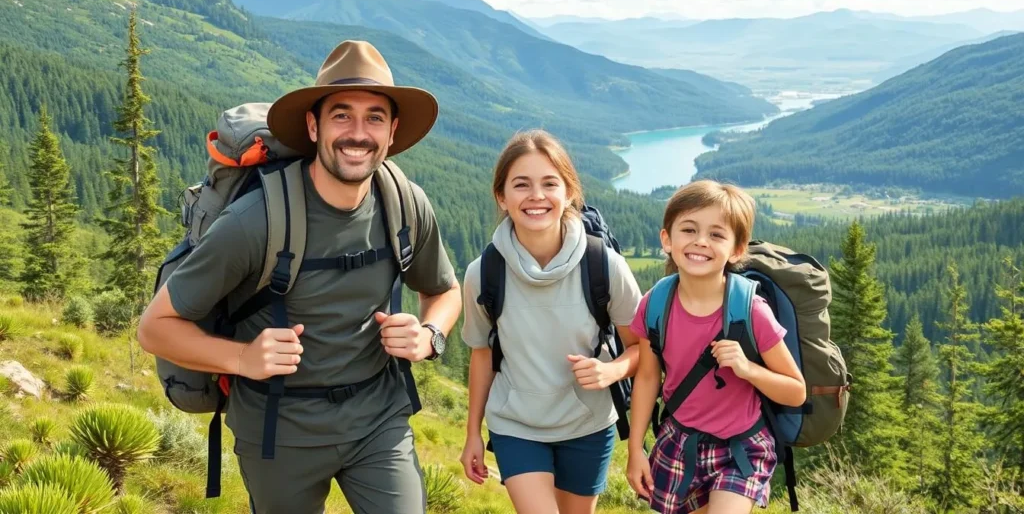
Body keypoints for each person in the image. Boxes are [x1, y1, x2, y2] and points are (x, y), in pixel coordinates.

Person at [137, 40, 462, 514]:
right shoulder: (257, 220)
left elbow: (444, 290)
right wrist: (244, 357)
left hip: (378, 418)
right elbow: (155, 328)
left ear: (392, 132)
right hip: (278, 427)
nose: (358, 133)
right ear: (313, 126)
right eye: (341, 115)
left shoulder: (404, 201)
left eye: (374, 117)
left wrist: (431, 334)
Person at [459, 130, 643, 514]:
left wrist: (611, 371)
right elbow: (481, 354)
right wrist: (472, 433)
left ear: (569, 193)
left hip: (588, 426)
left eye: (549, 183)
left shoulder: (605, 266)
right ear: (502, 197)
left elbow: (642, 348)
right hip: (517, 426)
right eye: (521, 185)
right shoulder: (484, 273)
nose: (536, 196)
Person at [626, 180, 806, 514]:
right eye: (689, 229)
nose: (700, 242)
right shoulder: (655, 304)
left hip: (741, 448)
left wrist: (748, 369)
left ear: (737, 249)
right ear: (667, 239)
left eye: (716, 235)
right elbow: (648, 379)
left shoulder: (751, 311)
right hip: (679, 443)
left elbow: (796, 392)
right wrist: (635, 449)